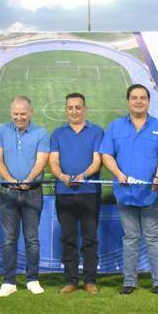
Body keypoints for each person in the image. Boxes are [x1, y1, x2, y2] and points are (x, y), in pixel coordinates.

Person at [100, 83, 158, 295]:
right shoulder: (115, 127)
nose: (138, 101)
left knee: (153, 238)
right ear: (128, 101)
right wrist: (118, 174)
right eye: (134, 97)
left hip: (151, 194)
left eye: (143, 97)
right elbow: (106, 154)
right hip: (124, 193)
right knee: (130, 238)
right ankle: (129, 282)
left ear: (148, 102)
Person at [0, 96, 50, 297]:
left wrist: (27, 179)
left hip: (32, 192)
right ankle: (9, 282)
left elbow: (42, 161)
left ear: (30, 113)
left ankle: (32, 279)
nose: (19, 117)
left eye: (23, 113)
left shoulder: (41, 133)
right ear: (11, 113)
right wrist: (9, 179)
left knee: (32, 239)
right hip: (8, 193)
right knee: (9, 239)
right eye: (15, 114)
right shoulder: (1, 130)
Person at [49, 92, 104, 295]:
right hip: (64, 192)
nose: (74, 111)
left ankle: (90, 280)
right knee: (68, 237)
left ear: (85, 109)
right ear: (66, 110)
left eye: (78, 107)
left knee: (90, 237)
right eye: (70, 107)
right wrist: (62, 176)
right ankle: (71, 280)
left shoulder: (97, 132)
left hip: (90, 191)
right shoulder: (57, 133)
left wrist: (83, 175)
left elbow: (97, 160)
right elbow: (53, 160)